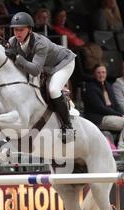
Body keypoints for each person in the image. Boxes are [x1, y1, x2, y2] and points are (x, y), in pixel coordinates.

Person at [5, 12, 76, 142]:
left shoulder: (40, 43)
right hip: (46, 68)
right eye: (15, 30)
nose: (18, 33)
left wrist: (16, 57)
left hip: (63, 63)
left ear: (30, 30)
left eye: (21, 30)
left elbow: (35, 70)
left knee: (53, 90)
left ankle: (68, 127)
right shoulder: (12, 42)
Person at [83, 64, 124, 148]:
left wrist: (123, 114)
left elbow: (116, 104)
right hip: (98, 118)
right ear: (94, 74)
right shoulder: (91, 88)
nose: (101, 75)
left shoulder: (108, 86)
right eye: (98, 72)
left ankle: (122, 145)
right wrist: (120, 115)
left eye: (103, 72)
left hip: (110, 115)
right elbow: (100, 108)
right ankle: (122, 148)